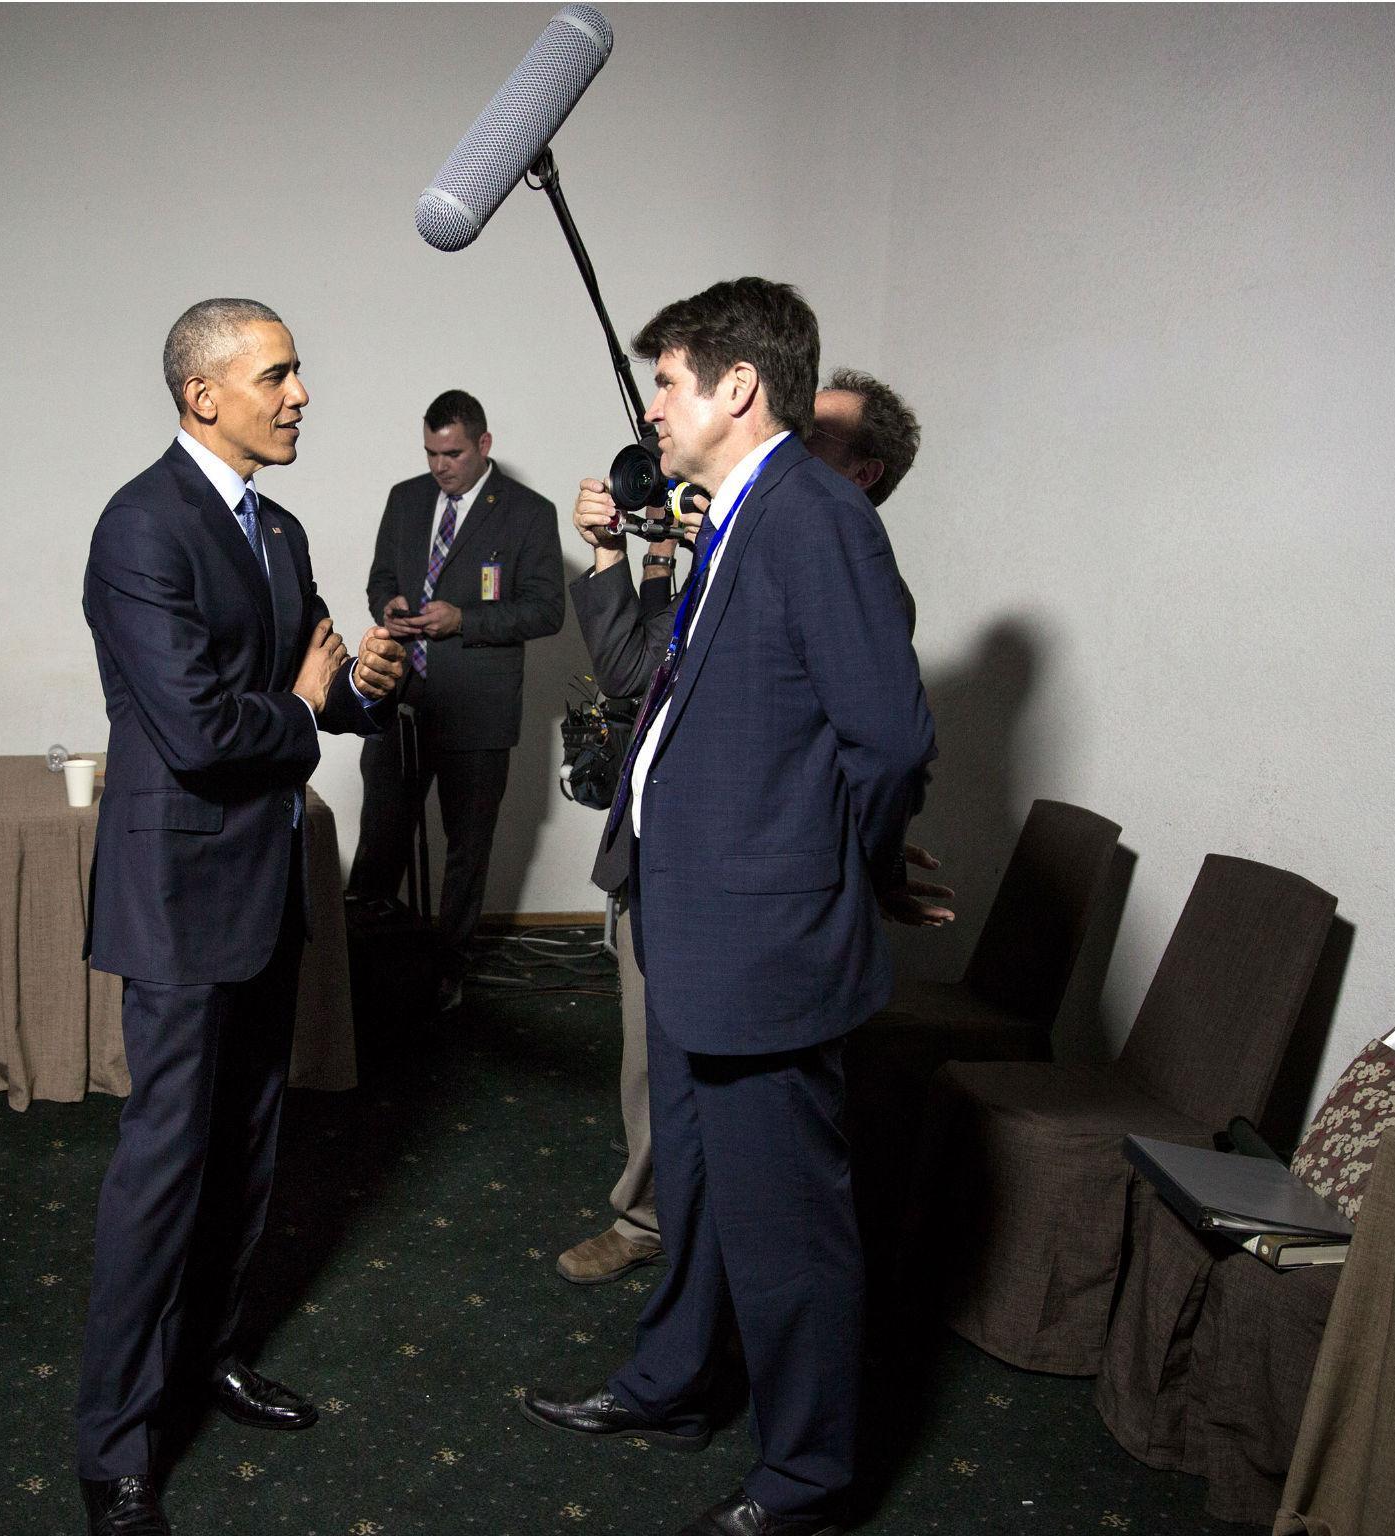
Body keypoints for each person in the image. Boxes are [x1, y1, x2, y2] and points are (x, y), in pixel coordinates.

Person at [520, 278, 937, 1536]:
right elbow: (685, 693)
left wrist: (835, 878)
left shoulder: (815, 518)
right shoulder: (738, 514)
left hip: (764, 943)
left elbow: (889, 738)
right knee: (696, 1193)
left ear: (735, 388)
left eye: (666, 379)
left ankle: (807, 1480)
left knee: (788, 1228)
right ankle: (671, 1386)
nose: (650, 405)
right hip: (692, 917)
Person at [75, 297, 404, 1536]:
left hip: (263, 892)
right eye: (277, 374)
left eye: (299, 372)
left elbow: (314, 684)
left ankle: (206, 1357)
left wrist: (364, 684)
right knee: (161, 1176)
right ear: (203, 394)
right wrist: (312, 703)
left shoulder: (279, 527)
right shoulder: (138, 528)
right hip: (174, 904)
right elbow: (208, 729)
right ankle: (114, 1448)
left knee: (248, 1156)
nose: (301, 393)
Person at [555, 368, 951, 1287]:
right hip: (671, 878)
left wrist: (868, 860)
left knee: (767, 1170)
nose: (782, 448)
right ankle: (675, 1273)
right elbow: (629, 675)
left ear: (865, 472)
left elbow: (883, 749)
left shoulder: (836, 559)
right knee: (663, 1086)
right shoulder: (732, 547)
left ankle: (684, 1258)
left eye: (816, 440)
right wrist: (622, 556)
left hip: (753, 912)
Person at [347, 390, 565, 1014]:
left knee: (467, 849)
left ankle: (448, 969)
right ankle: (363, 961)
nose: (440, 466)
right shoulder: (405, 498)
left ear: (483, 446)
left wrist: (464, 619)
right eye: (431, 452)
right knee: (381, 833)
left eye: (453, 453)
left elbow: (547, 610)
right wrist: (387, 606)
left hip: (479, 710)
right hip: (401, 700)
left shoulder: (527, 512)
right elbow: (380, 581)